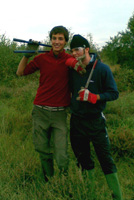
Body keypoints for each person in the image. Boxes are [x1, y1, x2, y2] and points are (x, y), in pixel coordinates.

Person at [16, 26, 86, 182]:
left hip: (60, 114)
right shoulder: (41, 58)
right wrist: (27, 55)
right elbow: (20, 73)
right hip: (40, 111)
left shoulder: (69, 60)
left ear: (65, 42)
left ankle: (64, 182)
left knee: (61, 153)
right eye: (54, 38)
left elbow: (82, 69)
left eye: (60, 39)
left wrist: (82, 62)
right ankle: (49, 181)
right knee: (43, 150)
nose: (56, 42)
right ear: (50, 40)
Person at [69, 34, 123, 200]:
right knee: (83, 159)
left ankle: (117, 196)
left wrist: (94, 97)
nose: (74, 54)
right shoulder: (72, 70)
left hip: (95, 122)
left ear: (86, 49)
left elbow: (114, 93)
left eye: (77, 50)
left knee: (105, 159)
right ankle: (89, 194)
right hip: (77, 121)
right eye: (71, 51)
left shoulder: (102, 69)